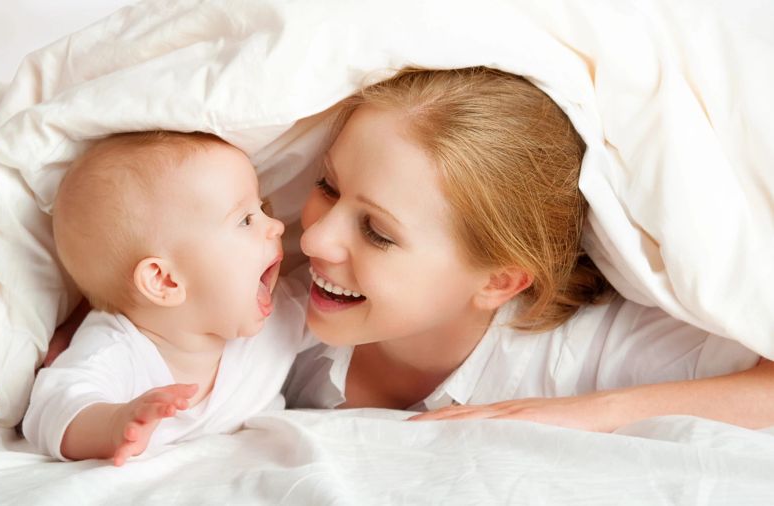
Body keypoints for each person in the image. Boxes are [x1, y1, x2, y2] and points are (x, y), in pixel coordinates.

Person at [282, 66, 774, 432]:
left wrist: (588, 412)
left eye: (377, 233)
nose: (314, 239)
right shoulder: (277, 307)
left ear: (499, 282)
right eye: (327, 185)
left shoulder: (579, 350)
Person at [23, 131, 309, 466]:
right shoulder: (117, 348)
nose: (275, 226)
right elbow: (53, 409)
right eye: (245, 220)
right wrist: (115, 423)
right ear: (165, 280)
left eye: (263, 208)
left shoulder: (283, 316)